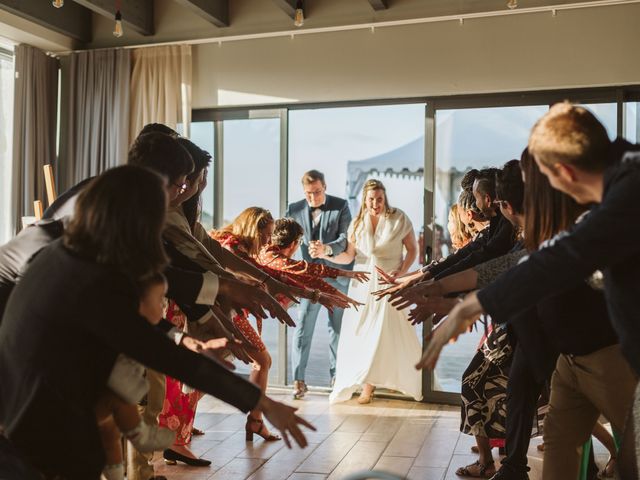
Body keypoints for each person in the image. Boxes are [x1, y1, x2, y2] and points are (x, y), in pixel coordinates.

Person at [0, 166, 315, 480]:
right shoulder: (91, 278)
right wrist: (263, 403)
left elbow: (126, 324)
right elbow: (167, 356)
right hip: (45, 438)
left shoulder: (69, 256)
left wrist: (183, 338)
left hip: (30, 419)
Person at [416, 102, 640, 479]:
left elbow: (566, 255)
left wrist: (471, 305)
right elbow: (539, 256)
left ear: (564, 173)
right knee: (558, 449)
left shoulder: (630, 190)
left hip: (614, 356)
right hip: (572, 359)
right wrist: (462, 298)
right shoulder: (616, 176)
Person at [328, 179, 422, 404]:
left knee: (387, 334)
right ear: (364, 199)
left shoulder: (398, 218)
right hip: (361, 286)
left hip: (388, 282)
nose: (375, 203)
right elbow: (349, 257)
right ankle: (366, 384)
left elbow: (412, 249)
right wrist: (326, 255)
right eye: (371, 199)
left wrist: (401, 272)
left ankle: (386, 383)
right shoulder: (357, 223)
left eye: (379, 199)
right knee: (362, 334)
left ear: (385, 198)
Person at [96, 272, 176, 480]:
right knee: (145, 408)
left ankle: (126, 473)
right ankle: (139, 474)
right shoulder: (133, 257)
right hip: (140, 338)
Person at [286, 170, 353, 398]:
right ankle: (298, 379)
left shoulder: (341, 206)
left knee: (336, 329)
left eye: (317, 192)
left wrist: (326, 249)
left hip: (336, 278)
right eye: (308, 194)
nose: (313, 197)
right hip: (308, 280)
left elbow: (345, 239)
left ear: (324, 186)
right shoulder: (294, 209)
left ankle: (336, 376)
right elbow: (285, 239)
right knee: (303, 328)